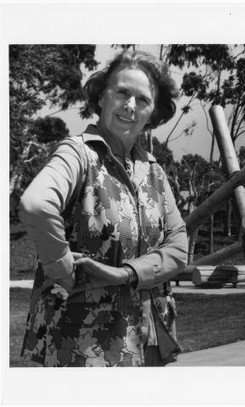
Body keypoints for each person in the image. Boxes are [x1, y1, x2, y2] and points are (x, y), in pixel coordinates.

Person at [19, 49, 188, 367]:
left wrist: (124, 274)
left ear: (152, 114)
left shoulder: (154, 171)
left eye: (142, 100)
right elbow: (36, 205)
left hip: (149, 335)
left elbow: (178, 248)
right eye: (121, 93)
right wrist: (65, 273)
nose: (130, 106)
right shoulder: (77, 154)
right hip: (88, 345)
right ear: (101, 99)